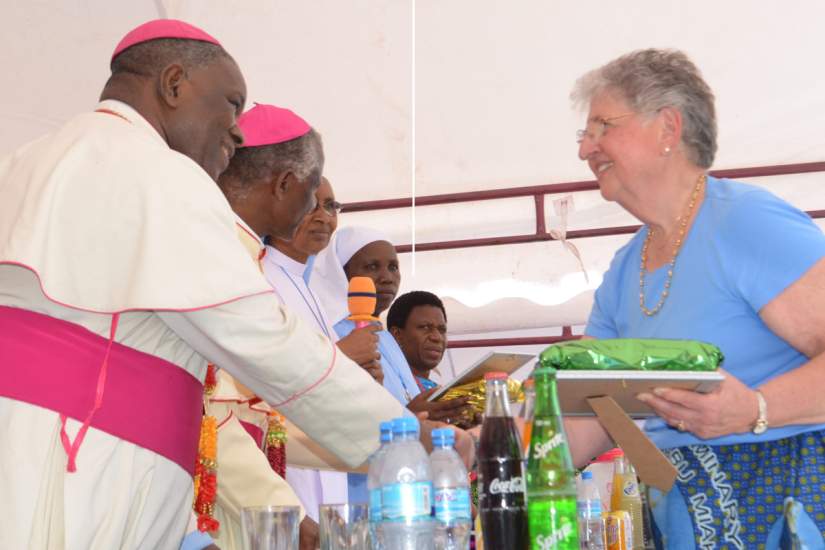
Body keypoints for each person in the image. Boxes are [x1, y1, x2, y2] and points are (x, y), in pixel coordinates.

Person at [0, 19, 414, 549]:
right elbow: (267, 344)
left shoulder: (20, 161)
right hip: (85, 465)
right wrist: (402, 439)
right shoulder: (162, 174)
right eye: (231, 104)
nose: (237, 131)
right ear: (174, 85)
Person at [569, 48, 825, 548]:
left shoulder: (746, 223)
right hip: (682, 517)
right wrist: (485, 444)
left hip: (782, 511)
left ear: (668, 127)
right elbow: (589, 413)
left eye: (602, 126)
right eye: (584, 134)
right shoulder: (625, 269)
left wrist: (755, 407)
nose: (585, 149)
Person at [310, 227, 473, 501]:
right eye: (372, 266)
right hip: (361, 486)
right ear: (342, 273)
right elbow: (342, 418)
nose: (386, 277)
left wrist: (440, 410)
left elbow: (405, 402)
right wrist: (412, 415)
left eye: (393, 267)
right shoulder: (331, 331)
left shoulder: (384, 336)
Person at [387, 290, 448, 393]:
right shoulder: (384, 386)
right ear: (397, 335)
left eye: (442, 330)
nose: (437, 337)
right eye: (424, 327)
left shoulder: (443, 393)